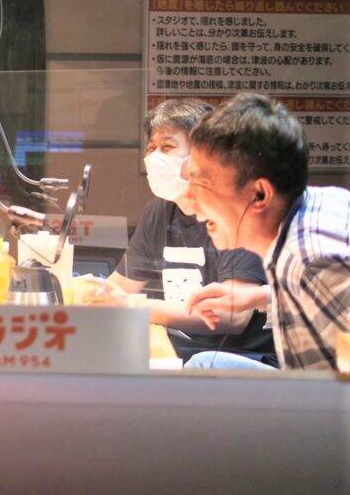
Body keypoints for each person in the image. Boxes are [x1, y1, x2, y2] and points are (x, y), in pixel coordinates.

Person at [87, 98, 276, 366]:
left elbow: (233, 316)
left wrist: (135, 306)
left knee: (202, 363)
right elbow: (119, 288)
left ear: (203, 155)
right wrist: (89, 293)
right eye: (151, 148)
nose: (155, 158)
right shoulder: (159, 211)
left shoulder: (238, 210)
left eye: (167, 147)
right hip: (177, 353)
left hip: (238, 359)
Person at [183, 93, 349, 370]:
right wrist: (261, 296)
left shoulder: (313, 260)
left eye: (200, 182)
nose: (188, 198)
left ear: (259, 195)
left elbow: (320, 275)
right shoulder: (320, 202)